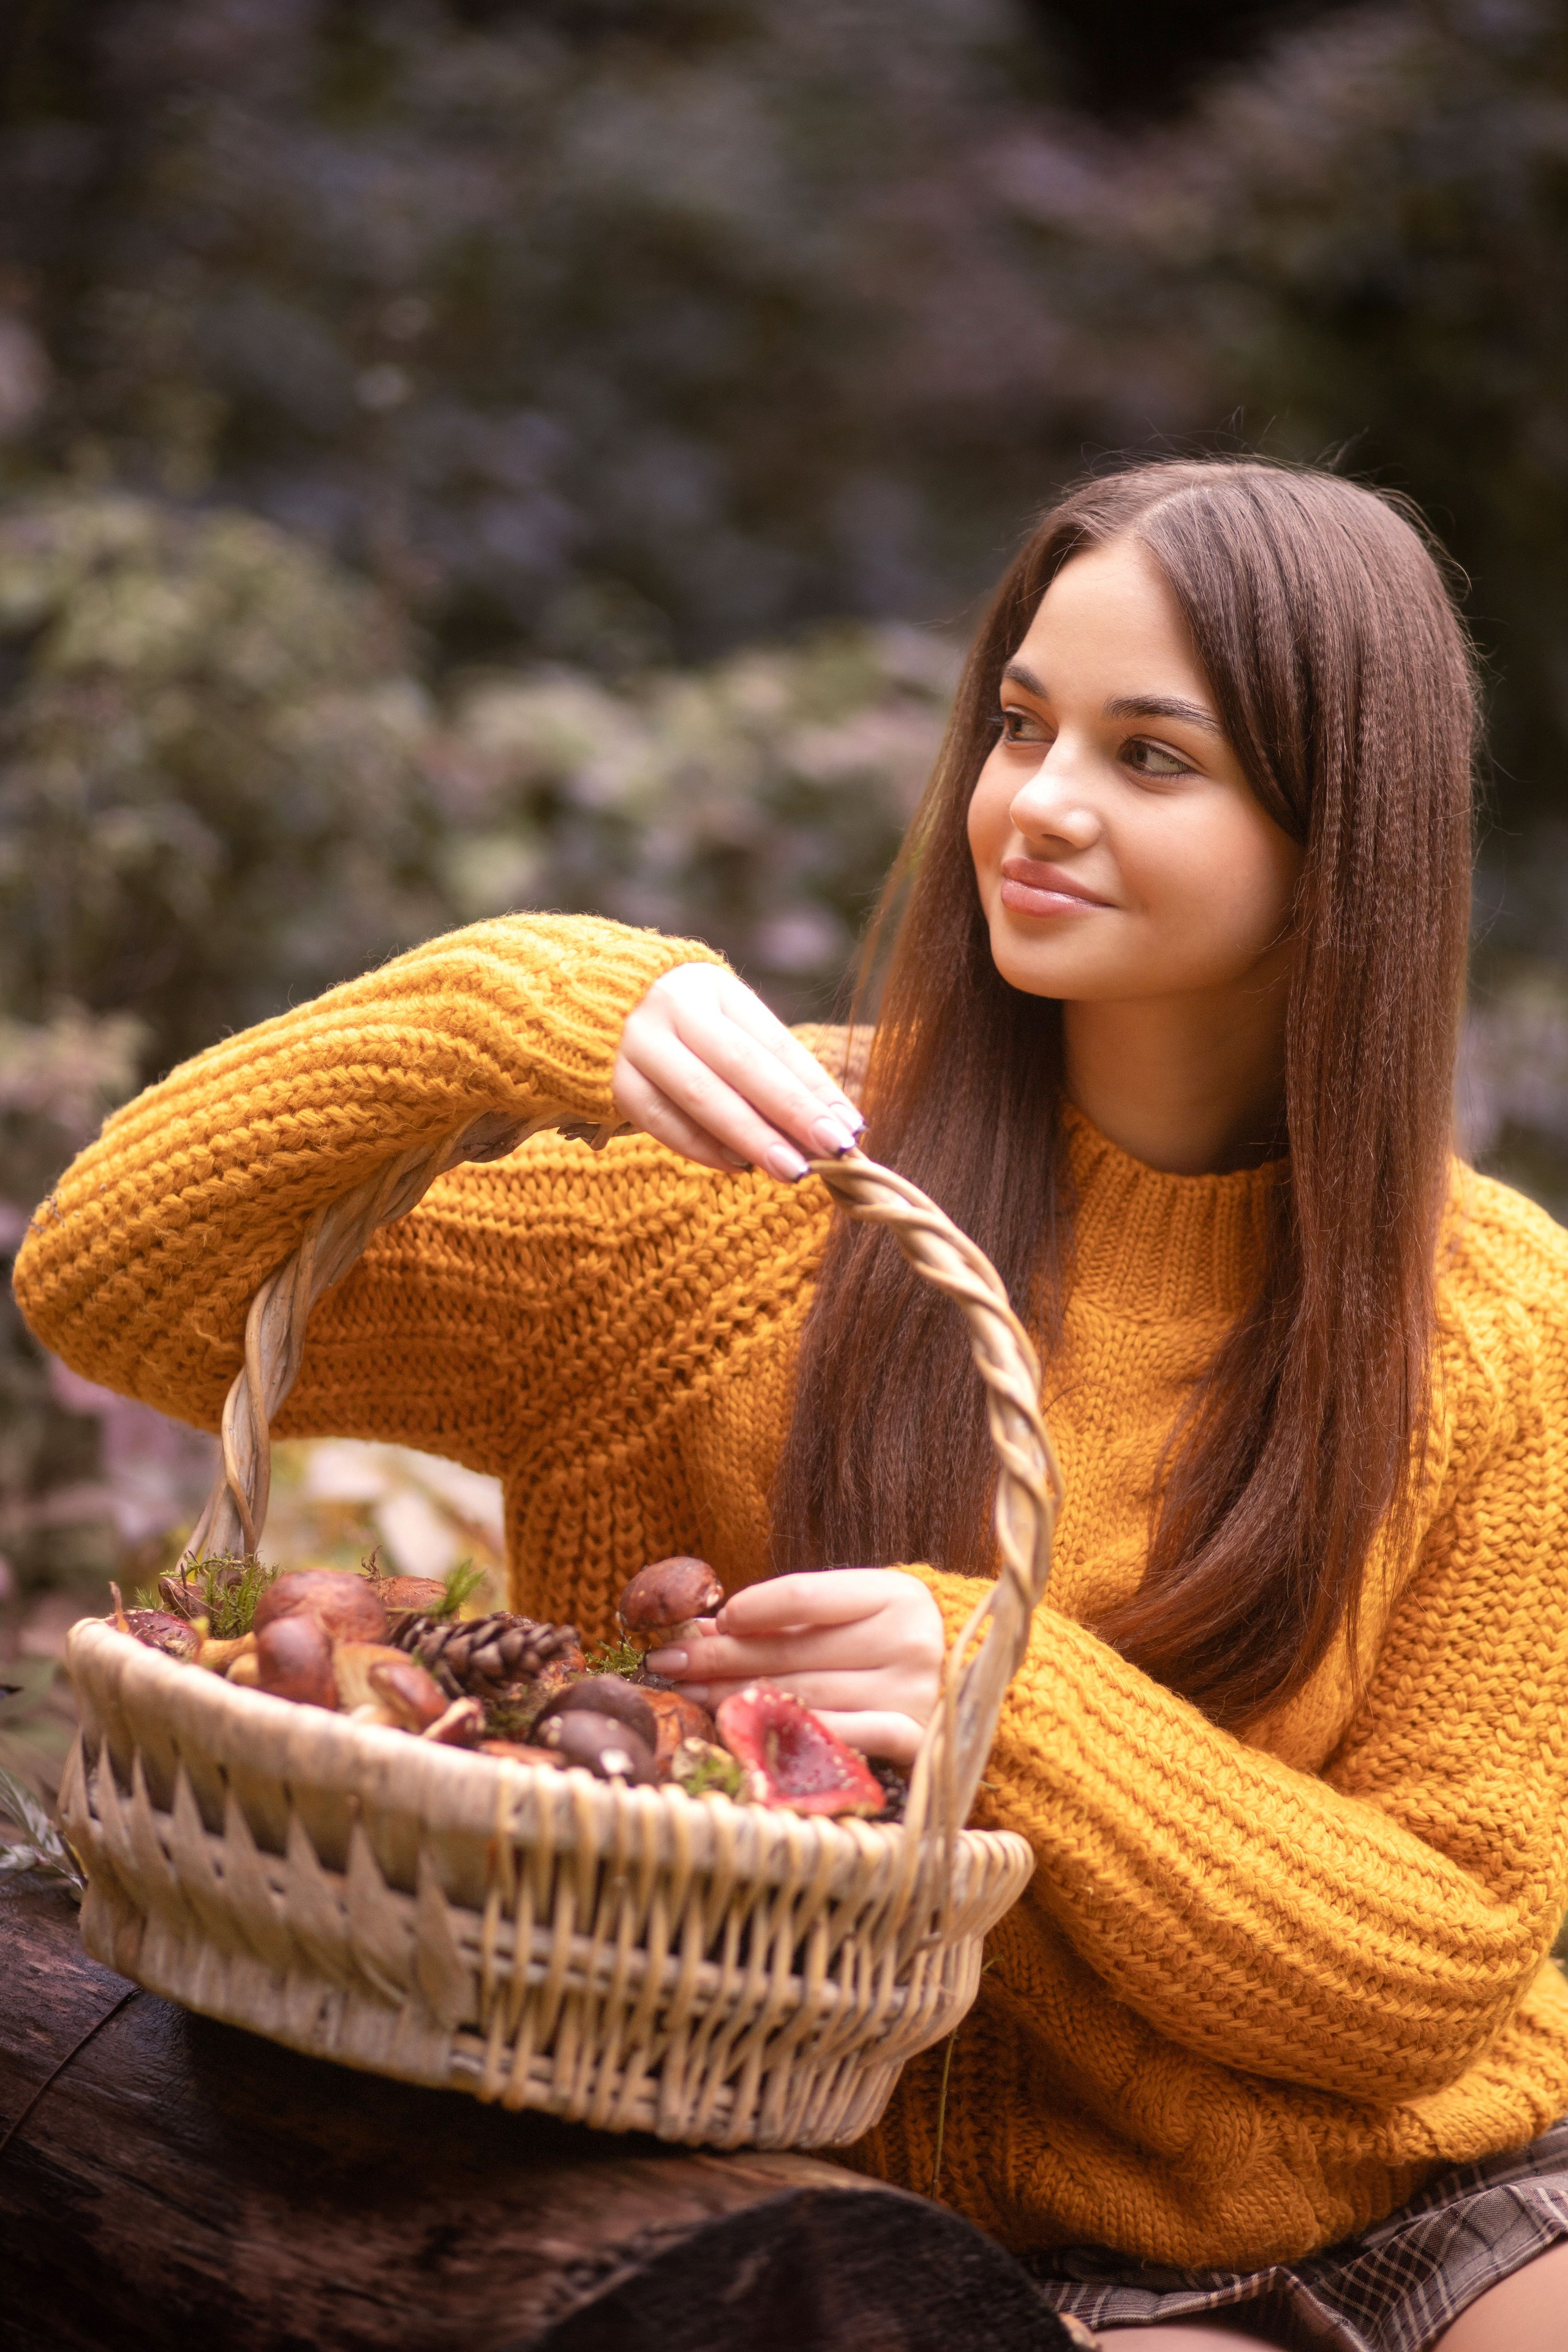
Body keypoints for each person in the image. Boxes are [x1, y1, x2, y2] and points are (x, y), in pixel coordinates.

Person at [17, 459, 1568, 2350]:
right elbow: (113, 1286)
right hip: (851, 2225)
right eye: (1021, 725)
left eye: (1152, 757)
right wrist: (503, 998)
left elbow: (1435, 1970)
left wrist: (1012, 1697)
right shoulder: (762, 1199)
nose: (1040, 807)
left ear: (1340, 833)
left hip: (1399, 2179)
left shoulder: (1489, 1319)